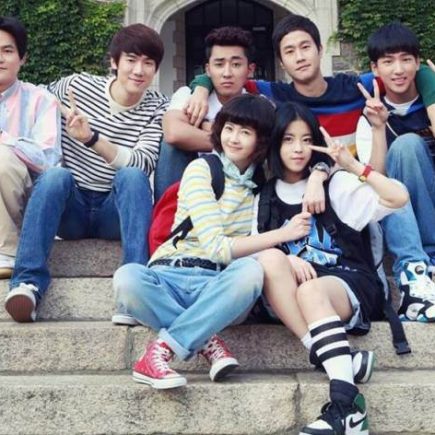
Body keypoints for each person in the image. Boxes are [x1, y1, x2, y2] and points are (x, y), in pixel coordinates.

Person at [188, 13, 435, 320]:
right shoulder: (272, 94)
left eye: (306, 47)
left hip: (348, 187)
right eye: (289, 51)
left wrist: (370, 133)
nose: (300, 57)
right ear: (281, 62)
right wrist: (200, 86)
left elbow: (413, 68)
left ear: (320, 49)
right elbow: (225, 75)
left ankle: (414, 276)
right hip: (301, 195)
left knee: (390, 174)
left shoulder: (357, 87)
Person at [112, 94, 317, 389]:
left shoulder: (263, 180)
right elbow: (217, 248)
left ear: (261, 140)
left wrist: (318, 176)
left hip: (220, 285)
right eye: (229, 128)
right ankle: (208, 342)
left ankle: (162, 350)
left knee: (251, 272)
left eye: (245, 132)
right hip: (170, 275)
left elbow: (316, 161)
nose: (233, 138)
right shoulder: (202, 170)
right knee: (126, 278)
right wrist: (284, 236)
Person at [253, 101, 408, 434]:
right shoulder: (264, 198)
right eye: (288, 139)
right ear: (274, 143)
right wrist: (287, 258)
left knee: (311, 290)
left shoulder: (334, 184)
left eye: (306, 139)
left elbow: (398, 198)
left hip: (347, 282)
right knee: (267, 258)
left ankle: (344, 406)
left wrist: (350, 165)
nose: (298, 149)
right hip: (296, 294)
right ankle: (334, 359)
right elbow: (252, 253)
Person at [4, 23, 168, 322]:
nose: (138, 70)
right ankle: (27, 283)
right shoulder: (76, 87)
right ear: (114, 62)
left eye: (148, 63)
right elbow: (32, 99)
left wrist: (91, 139)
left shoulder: (158, 106)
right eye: (131, 60)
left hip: (115, 211)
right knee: (55, 176)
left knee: (132, 177)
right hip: (71, 210)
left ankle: (134, 290)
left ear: (156, 69)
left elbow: (142, 162)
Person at [356, 22, 435, 322]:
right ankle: (416, 270)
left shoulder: (430, 95)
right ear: (375, 68)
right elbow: (373, 179)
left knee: (408, 145)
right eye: (388, 61)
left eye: (406, 59)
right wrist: (378, 128)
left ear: (418, 62)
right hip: (402, 213)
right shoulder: (368, 113)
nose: (398, 69)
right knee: (403, 149)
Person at [153, 26, 256, 201]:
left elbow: (262, 145)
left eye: (236, 64)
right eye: (219, 64)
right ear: (208, 70)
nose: (227, 73)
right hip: (190, 182)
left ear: (250, 69)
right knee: (171, 147)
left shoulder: (258, 104)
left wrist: (203, 129)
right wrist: (233, 140)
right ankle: (168, 212)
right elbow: (173, 133)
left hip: (239, 186)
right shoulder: (189, 95)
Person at [0, 16, 61, 279]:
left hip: (25, 199)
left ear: (23, 58)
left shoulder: (40, 100)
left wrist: (5, 140)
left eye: (7, 50)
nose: (0, 58)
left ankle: (7, 251)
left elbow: (48, 159)